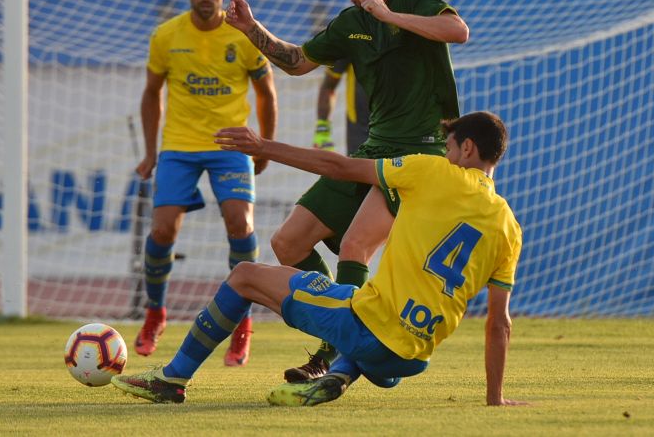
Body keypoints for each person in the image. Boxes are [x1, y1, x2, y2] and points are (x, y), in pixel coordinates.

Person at [110, 111, 525, 408]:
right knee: (363, 312)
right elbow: (498, 323)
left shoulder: (433, 171)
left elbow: (337, 166)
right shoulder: (508, 227)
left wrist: (263, 146)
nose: (446, 151)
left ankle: (173, 379)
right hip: (412, 358)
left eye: (450, 145)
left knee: (244, 275)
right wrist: (494, 398)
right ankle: (340, 375)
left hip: (367, 330)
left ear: (467, 148)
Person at [225, 0, 469, 381]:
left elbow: (458, 31)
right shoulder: (351, 21)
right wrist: (251, 28)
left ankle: (338, 357)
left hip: (419, 156)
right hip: (373, 150)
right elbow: (297, 63)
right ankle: (338, 336)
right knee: (287, 242)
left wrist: (389, 16)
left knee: (355, 245)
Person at [133, 0, 277, 367]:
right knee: (162, 230)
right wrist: (149, 152)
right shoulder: (166, 35)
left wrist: (263, 145)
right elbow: (151, 93)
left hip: (230, 145)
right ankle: (155, 313)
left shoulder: (243, 36)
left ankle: (242, 324)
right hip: (179, 145)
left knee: (241, 223)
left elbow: (267, 93)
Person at [313, 0, 407, 155]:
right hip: (361, 133)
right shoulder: (352, 32)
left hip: (404, 131)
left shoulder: (415, 33)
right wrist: (322, 130)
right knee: (361, 183)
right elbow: (329, 85)